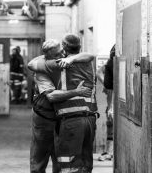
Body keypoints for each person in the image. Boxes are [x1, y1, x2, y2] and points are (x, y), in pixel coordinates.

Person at [28, 34, 98, 173]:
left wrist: (71, 58)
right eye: (58, 53)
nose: (62, 54)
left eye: (62, 51)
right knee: (40, 156)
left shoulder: (69, 61)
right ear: (49, 56)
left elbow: (90, 55)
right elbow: (52, 96)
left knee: (62, 159)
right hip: (44, 118)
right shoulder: (46, 67)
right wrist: (76, 92)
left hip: (65, 118)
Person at [96, 44, 115, 161]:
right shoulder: (110, 65)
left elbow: (98, 73)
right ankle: (109, 151)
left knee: (111, 124)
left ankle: (110, 152)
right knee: (110, 124)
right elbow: (98, 72)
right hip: (111, 101)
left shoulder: (111, 65)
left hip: (112, 102)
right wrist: (106, 83)